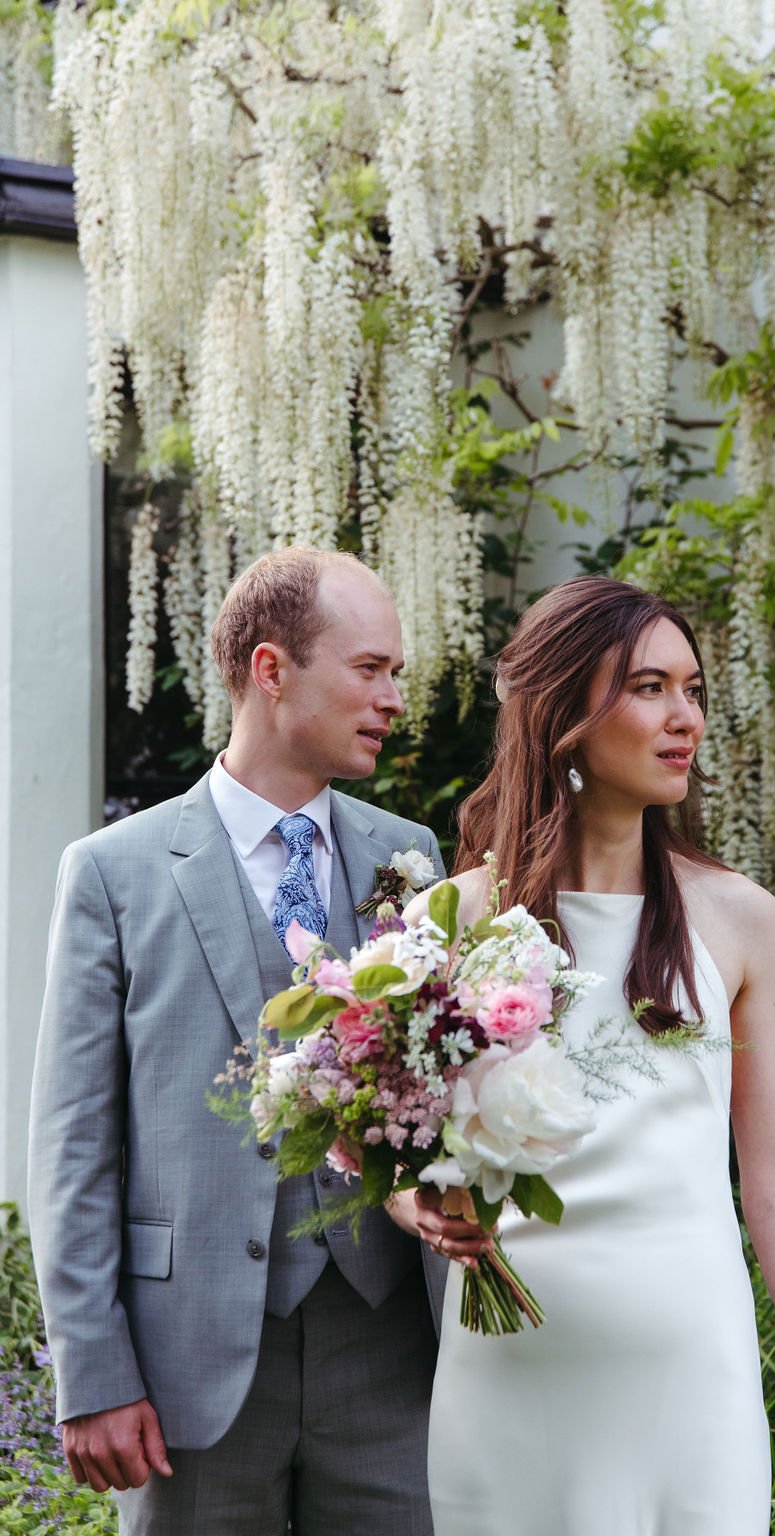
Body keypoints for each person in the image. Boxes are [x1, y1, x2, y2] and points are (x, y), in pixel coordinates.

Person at [406, 575, 775, 1536]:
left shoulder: (740, 920)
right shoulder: (457, 920)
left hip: (691, 1385)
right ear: (564, 712)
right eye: (649, 688)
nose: (687, 719)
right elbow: (392, 1145)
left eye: (693, 689)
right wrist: (416, 1203)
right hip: (511, 1382)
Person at [28, 548, 446, 1536]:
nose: (392, 699)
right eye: (370, 669)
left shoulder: (410, 857)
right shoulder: (112, 874)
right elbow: (74, 1142)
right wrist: (92, 1372)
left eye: (398, 675)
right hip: (191, 1373)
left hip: (390, 1357)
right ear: (271, 670)